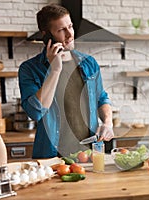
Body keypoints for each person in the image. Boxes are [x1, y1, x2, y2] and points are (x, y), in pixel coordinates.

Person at [18, 4, 114, 159]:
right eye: (61, 30)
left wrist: (108, 122)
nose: (70, 34)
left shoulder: (89, 63)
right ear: (47, 35)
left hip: (90, 155)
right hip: (52, 157)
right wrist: (54, 70)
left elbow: (101, 98)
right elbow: (36, 111)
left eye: (70, 26)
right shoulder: (29, 69)